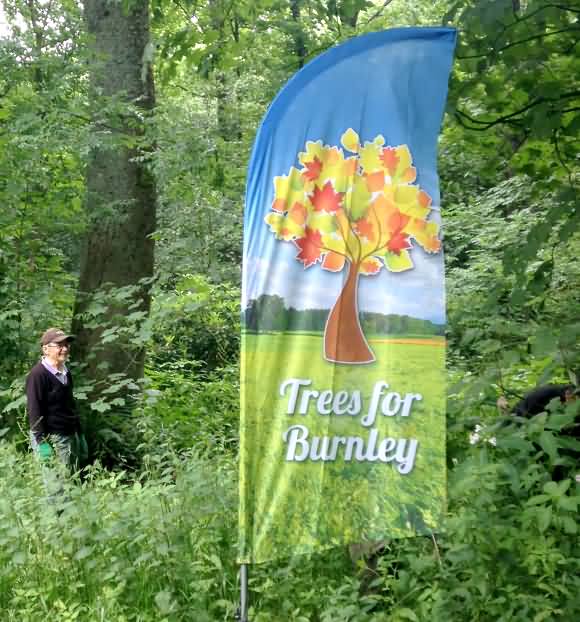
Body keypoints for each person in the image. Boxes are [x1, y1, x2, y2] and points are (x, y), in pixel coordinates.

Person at [26, 328, 87, 473]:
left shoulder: (66, 372)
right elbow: (34, 410)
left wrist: (79, 432)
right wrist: (42, 443)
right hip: (50, 437)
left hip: (70, 435)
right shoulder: (37, 375)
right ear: (46, 349)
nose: (65, 349)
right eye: (60, 345)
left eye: (66, 345)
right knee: (56, 485)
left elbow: (70, 404)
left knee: (70, 480)